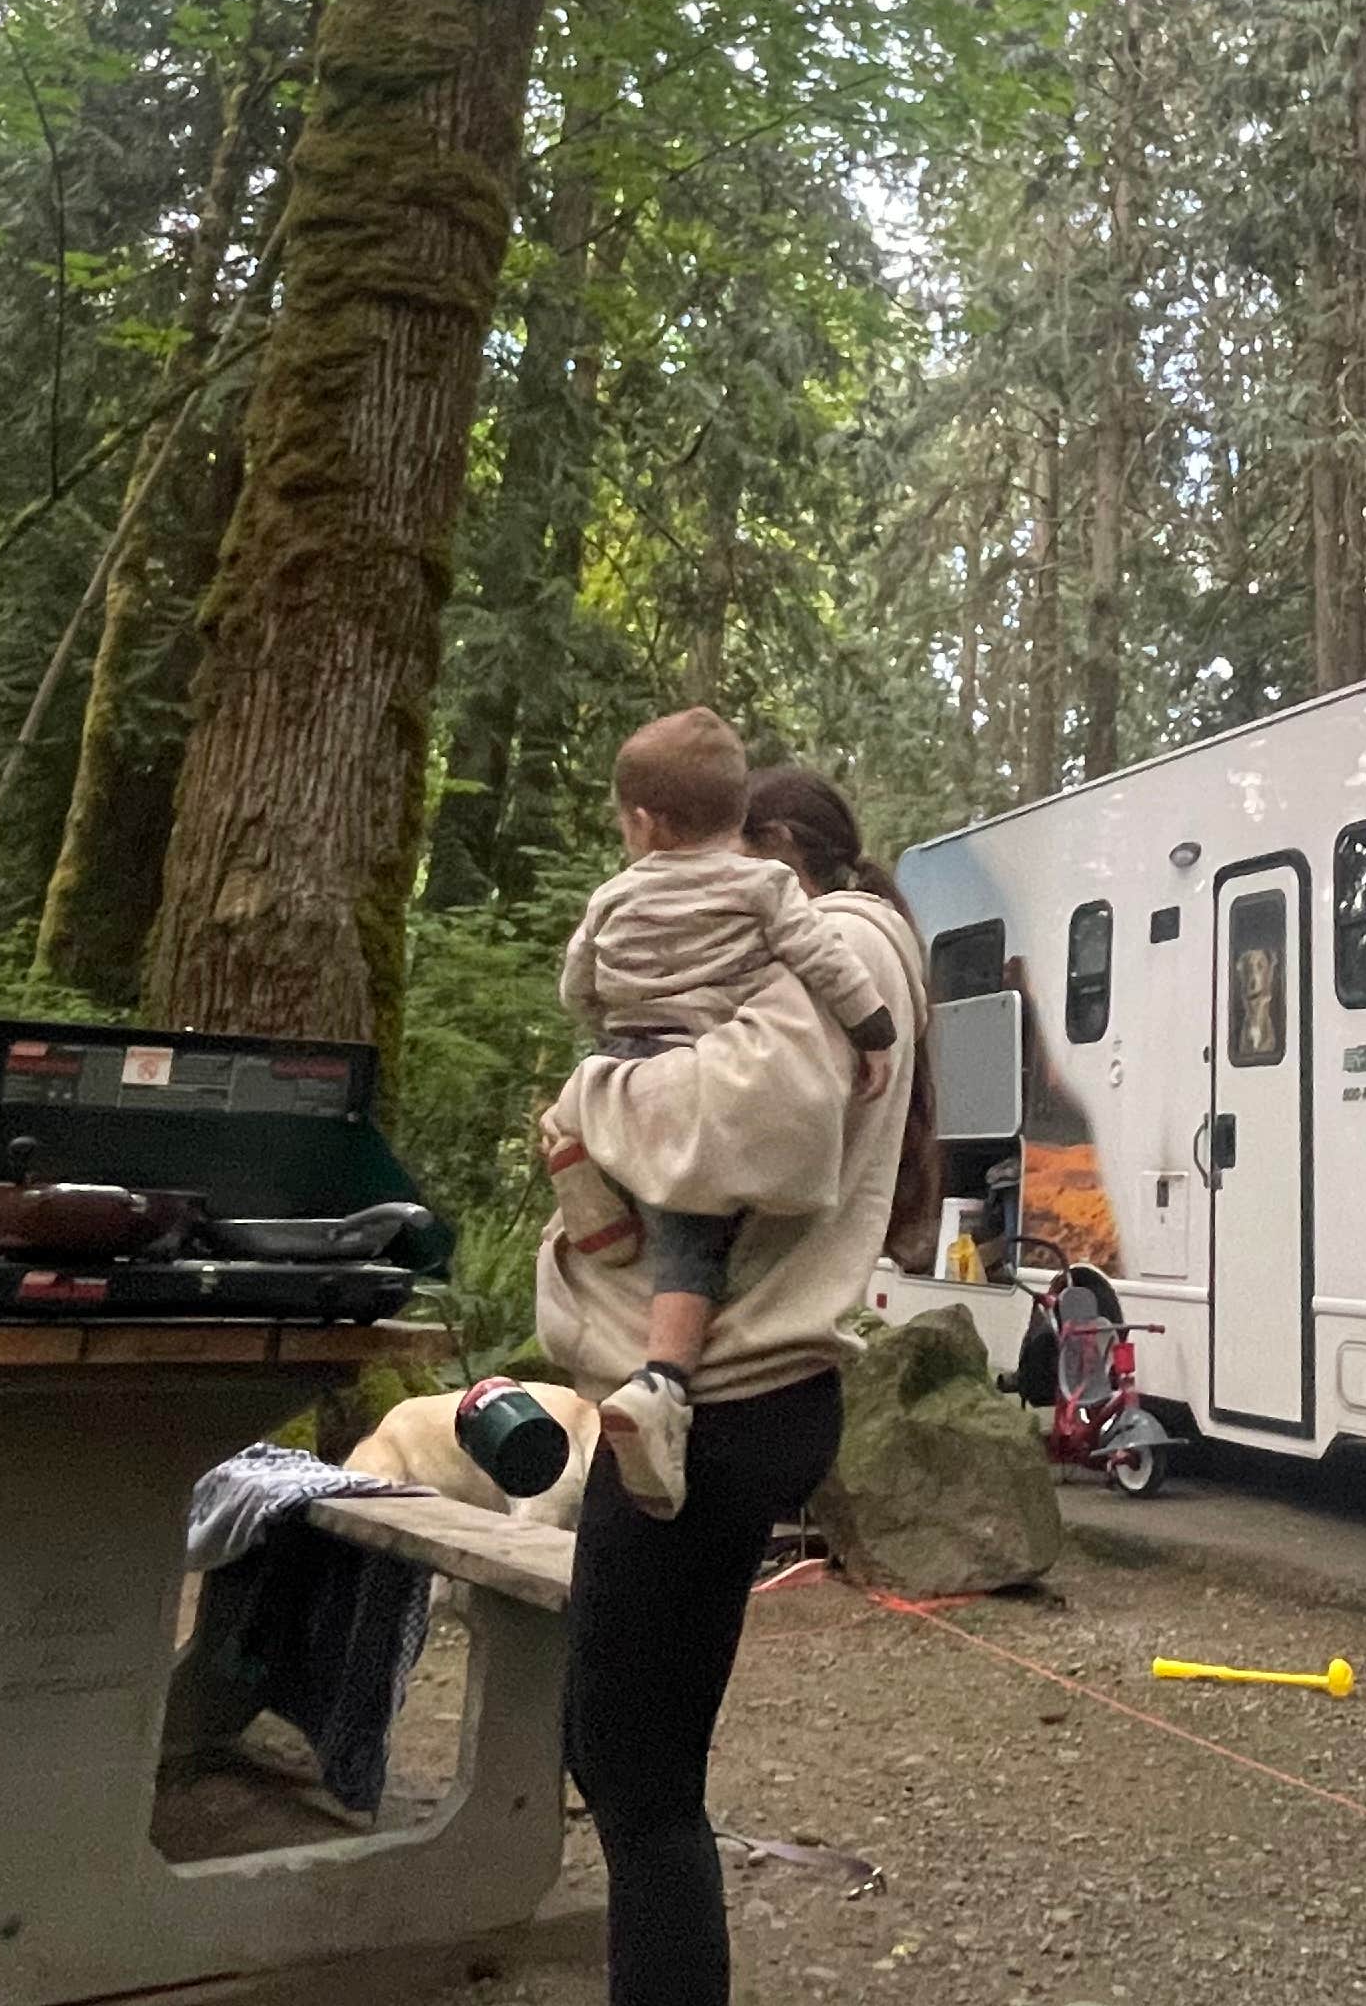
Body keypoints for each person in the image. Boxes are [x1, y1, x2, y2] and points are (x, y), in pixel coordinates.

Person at [546, 760, 927, 2006]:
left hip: (721, 1400)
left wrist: (586, 1100)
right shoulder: (815, 957)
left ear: (770, 856)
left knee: (638, 1777)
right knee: (619, 1755)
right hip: (716, 1399)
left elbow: (749, 1130)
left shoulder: (845, 943)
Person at [546, 708, 900, 1516]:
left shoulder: (612, 898)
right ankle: (663, 1383)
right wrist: (873, 1033)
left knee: (607, 1135)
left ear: (642, 822)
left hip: (623, 1060)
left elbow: (578, 983)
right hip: (688, 1063)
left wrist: (604, 1022)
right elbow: (822, 961)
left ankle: (590, 1180)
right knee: (692, 1239)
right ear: (738, 818)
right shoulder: (763, 888)